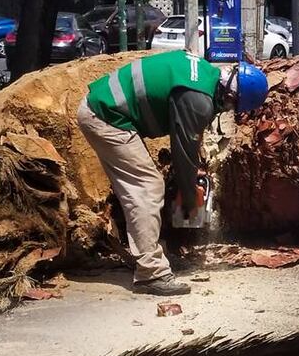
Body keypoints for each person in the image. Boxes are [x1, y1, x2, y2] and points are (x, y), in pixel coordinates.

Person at [77, 50, 270, 295]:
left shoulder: (203, 72)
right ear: (233, 96)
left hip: (107, 108)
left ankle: (153, 254)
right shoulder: (198, 100)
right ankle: (150, 273)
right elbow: (182, 156)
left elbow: (188, 141)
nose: (227, 109)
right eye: (232, 105)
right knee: (147, 187)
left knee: (143, 184)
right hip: (104, 116)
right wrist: (190, 201)